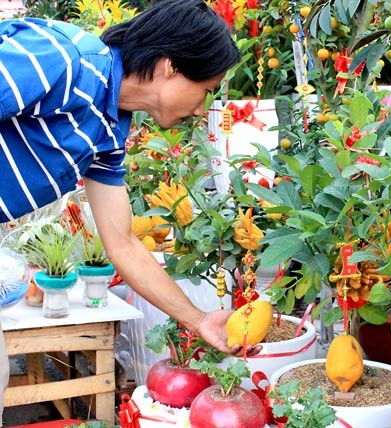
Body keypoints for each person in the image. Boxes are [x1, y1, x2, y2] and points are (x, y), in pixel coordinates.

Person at [0, 0, 257, 423]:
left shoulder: (109, 127)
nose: (200, 109)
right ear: (170, 66)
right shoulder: (64, 59)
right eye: (206, 90)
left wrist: (200, 320)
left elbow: (122, 242)